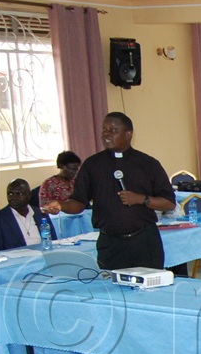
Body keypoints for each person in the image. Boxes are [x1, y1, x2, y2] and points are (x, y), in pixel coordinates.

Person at [47, 112, 174, 271]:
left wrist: (141, 199)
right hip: (110, 244)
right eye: (104, 130)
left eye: (113, 130)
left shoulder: (147, 164)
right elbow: (79, 203)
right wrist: (61, 205)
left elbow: (169, 203)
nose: (106, 134)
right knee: (112, 293)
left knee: (147, 290)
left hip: (144, 241)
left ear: (128, 134)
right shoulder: (92, 165)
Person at [0, 179, 57, 251]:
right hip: (17, 260)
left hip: (43, 256)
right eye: (10, 194)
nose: (14, 197)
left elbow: (53, 242)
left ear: (29, 195)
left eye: (19, 194)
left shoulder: (41, 214)